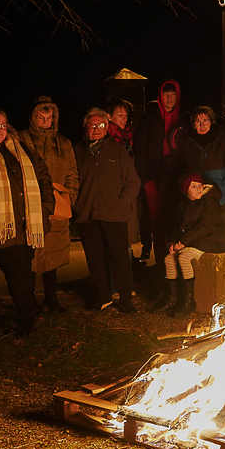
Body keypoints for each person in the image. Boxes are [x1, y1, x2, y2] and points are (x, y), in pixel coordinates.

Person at [0, 108, 53, 335]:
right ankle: (30, 317)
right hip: (1, 227)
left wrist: (45, 209)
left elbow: (41, 174)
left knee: (24, 268)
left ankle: (30, 314)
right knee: (17, 271)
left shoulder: (19, 147)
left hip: (27, 224)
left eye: (3, 125)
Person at [74, 108, 141, 312]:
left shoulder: (117, 150)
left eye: (100, 125)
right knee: (95, 259)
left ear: (107, 128)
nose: (96, 129)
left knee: (119, 258)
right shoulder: (77, 151)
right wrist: (77, 205)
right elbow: (71, 181)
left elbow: (133, 181)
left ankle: (125, 297)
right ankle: (103, 296)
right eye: (92, 125)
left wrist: (121, 204)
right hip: (87, 215)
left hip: (114, 215)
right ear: (86, 127)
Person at [19, 96, 79, 312]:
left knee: (52, 255)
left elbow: (72, 173)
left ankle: (51, 298)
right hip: (31, 206)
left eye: (49, 117)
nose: (45, 121)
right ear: (33, 117)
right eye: (41, 117)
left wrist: (69, 197)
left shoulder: (63, 143)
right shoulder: (20, 139)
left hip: (56, 205)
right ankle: (29, 300)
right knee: (30, 255)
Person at [158, 174, 225, 317]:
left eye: (200, 185)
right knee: (169, 259)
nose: (198, 189)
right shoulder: (183, 203)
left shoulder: (210, 202)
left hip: (211, 240)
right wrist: (173, 242)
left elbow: (205, 226)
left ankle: (188, 301)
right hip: (193, 241)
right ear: (186, 190)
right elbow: (176, 225)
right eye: (193, 186)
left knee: (184, 258)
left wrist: (183, 242)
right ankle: (172, 298)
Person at [134, 80, 182, 265]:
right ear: (159, 96)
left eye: (172, 94)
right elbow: (140, 150)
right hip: (153, 177)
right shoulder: (149, 120)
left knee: (176, 219)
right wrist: (145, 179)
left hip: (175, 177)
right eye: (165, 94)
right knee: (157, 221)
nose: (169, 98)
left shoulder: (183, 119)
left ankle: (177, 265)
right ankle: (162, 266)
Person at [181, 105, 225, 235]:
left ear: (211, 122)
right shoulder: (189, 144)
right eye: (198, 122)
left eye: (206, 121)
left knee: (224, 244)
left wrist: (220, 190)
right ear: (193, 124)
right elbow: (186, 172)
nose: (202, 125)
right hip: (201, 204)